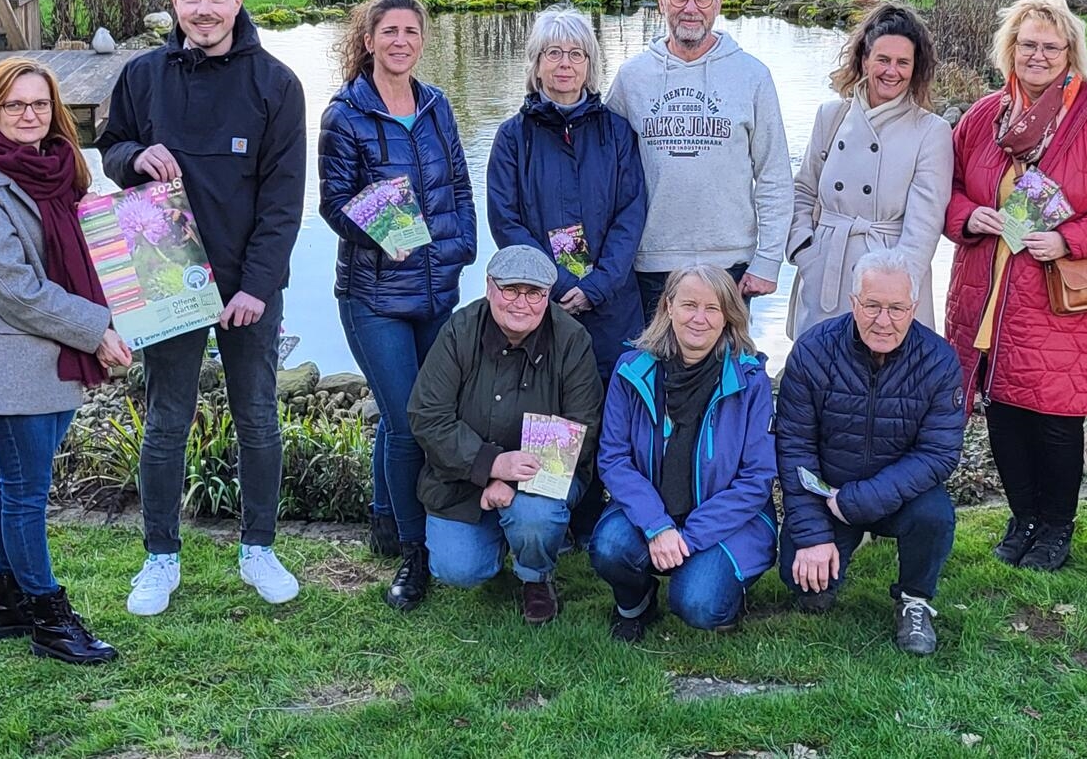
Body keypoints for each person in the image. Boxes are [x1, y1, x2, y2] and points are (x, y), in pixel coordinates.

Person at [97, 0, 306, 616]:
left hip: (249, 286)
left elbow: (284, 197)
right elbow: (110, 147)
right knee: (167, 419)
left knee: (256, 417)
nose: (205, 10)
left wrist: (257, 286)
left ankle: (259, 548)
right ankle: (160, 557)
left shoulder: (276, 85)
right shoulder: (142, 75)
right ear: (176, 1)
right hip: (167, 278)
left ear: (238, 1)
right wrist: (134, 156)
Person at [944, 0, 1087, 572]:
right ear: (1010, 48)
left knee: (1056, 418)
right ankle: (1023, 517)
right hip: (990, 290)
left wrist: (1070, 240)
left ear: (1071, 54)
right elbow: (947, 188)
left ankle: (1056, 528)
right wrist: (966, 215)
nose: (1038, 55)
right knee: (1004, 411)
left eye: (1051, 46)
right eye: (1027, 44)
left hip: (1062, 295)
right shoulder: (985, 117)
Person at [0, 58, 130, 664]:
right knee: (28, 492)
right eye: (15, 105)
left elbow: (89, 241)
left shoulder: (58, 171)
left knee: (15, 482)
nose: (29, 115)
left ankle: (7, 606)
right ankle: (50, 618)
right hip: (11, 357)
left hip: (51, 354)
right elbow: (17, 290)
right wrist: (97, 327)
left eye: (40, 104)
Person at [319, 0, 476, 610]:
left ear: (422, 40)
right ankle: (416, 554)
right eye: (389, 32)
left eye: (412, 32)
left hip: (438, 287)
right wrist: (385, 234)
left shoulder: (436, 106)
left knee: (405, 412)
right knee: (412, 419)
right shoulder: (345, 114)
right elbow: (333, 202)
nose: (401, 42)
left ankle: (385, 517)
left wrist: (461, 246)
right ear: (368, 40)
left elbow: (459, 184)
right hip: (375, 294)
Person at [487, 4, 646, 545]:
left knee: (612, 408)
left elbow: (631, 214)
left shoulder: (617, 134)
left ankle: (611, 520)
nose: (564, 64)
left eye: (576, 53)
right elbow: (505, 219)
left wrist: (598, 282)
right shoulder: (514, 138)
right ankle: (559, 518)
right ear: (535, 64)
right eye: (553, 53)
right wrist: (552, 283)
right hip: (541, 306)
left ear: (590, 63)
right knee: (551, 406)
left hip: (611, 301)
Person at [776, 251, 964, 655]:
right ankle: (828, 552)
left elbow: (939, 453)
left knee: (934, 516)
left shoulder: (939, 360)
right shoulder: (813, 351)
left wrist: (861, 501)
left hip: (898, 495)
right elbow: (795, 447)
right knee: (802, 585)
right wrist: (811, 535)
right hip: (829, 493)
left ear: (913, 308)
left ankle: (915, 599)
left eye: (897, 308)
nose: (884, 320)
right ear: (853, 303)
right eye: (873, 306)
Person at [407, 245, 605, 624]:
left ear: (548, 296)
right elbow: (427, 415)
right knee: (458, 569)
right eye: (511, 290)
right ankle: (499, 542)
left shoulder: (572, 340)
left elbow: (583, 426)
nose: (521, 303)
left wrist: (514, 484)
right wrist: (492, 466)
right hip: (465, 482)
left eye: (534, 293)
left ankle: (535, 575)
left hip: (543, 478)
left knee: (534, 515)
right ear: (489, 286)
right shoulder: (459, 331)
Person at [590, 265, 776, 643]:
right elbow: (613, 458)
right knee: (610, 546)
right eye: (689, 305)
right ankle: (636, 604)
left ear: (728, 317)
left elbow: (756, 480)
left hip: (729, 520)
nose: (699, 318)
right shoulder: (632, 370)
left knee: (698, 603)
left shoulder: (751, 380)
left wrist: (689, 537)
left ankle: (721, 593)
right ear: (668, 307)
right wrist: (656, 526)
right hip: (653, 510)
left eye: (712, 308)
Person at [606, 0, 792, 321]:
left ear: (719, 2)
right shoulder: (632, 78)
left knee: (724, 372)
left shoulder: (752, 76)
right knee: (652, 369)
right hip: (650, 261)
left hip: (730, 263)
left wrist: (768, 260)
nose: (690, 8)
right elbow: (605, 170)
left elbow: (774, 175)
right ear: (661, 0)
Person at [787, 0, 953, 337]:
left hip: (889, 279)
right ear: (864, 60)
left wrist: (894, 294)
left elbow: (924, 226)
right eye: (883, 59)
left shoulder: (931, 131)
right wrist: (804, 248)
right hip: (826, 273)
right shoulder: (831, 116)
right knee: (818, 373)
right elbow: (803, 190)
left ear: (915, 68)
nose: (892, 71)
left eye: (903, 62)